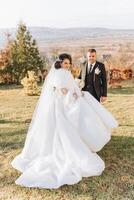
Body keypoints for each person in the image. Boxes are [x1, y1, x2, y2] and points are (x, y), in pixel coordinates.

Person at [11, 53, 118, 189]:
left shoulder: (65, 73)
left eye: (69, 63)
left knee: (78, 120)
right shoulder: (59, 73)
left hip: (67, 102)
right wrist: (72, 93)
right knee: (64, 128)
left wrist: (76, 90)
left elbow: (69, 86)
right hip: (61, 105)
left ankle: (85, 141)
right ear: (60, 63)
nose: (67, 65)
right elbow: (61, 89)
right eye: (65, 63)